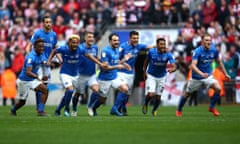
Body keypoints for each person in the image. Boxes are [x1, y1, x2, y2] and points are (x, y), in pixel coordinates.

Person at [176, 34, 231, 117]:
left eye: (210, 40)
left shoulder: (214, 50)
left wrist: (226, 74)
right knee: (187, 94)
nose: (208, 42)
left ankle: (212, 107)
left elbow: (219, 62)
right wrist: (201, 73)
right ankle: (179, 110)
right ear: (202, 42)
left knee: (218, 88)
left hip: (207, 77)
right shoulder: (197, 51)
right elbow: (193, 65)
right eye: (206, 40)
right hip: (196, 78)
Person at [110, 30, 153, 116]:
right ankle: (114, 108)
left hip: (131, 74)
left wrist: (160, 46)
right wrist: (124, 63)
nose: (136, 40)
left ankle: (123, 107)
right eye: (134, 38)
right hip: (121, 73)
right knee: (124, 89)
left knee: (127, 94)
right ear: (129, 38)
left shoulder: (139, 46)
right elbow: (116, 60)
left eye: (137, 38)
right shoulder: (123, 47)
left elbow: (149, 47)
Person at [87, 33, 130, 116]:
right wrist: (118, 66)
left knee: (125, 89)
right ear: (110, 41)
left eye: (118, 40)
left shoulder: (117, 50)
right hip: (104, 79)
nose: (117, 42)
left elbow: (115, 61)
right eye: (114, 40)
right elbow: (105, 68)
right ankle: (93, 107)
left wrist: (124, 62)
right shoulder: (105, 51)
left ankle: (115, 109)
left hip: (114, 77)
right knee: (102, 100)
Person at [25, 15, 60, 113]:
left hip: (47, 64)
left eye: (50, 22)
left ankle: (39, 108)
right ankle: (40, 109)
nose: (48, 24)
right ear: (43, 23)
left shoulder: (53, 35)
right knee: (40, 85)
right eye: (46, 22)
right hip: (38, 63)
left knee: (45, 85)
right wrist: (28, 55)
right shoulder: (37, 33)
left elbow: (55, 48)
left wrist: (60, 59)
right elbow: (29, 45)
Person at [10, 39, 49, 116]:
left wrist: (46, 71)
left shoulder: (41, 54)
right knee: (22, 102)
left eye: (42, 46)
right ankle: (13, 110)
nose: (42, 48)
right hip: (23, 81)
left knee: (45, 89)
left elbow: (44, 62)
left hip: (32, 80)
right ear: (34, 47)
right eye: (39, 47)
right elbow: (28, 72)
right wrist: (38, 77)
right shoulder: (31, 57)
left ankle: (40, 111)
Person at [71, 32, 105, 117]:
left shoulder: (95, 47)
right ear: (85, 39)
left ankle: (89, 106)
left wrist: (101, 61)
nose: (91, 39)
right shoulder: (80, 48)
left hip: (91, 74)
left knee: (97, 90)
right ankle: (74, 109)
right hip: (81, 75)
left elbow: (95, 57)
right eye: (89, 37)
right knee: (77, 94)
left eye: (92, 37)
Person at [47, 34, 82, 117]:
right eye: (73, 42)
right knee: (70, 91)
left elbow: (89, 56)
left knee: (69, 93)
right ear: (69, 42)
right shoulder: (64, 49)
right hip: (65, 73)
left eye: (77, 43)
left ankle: (58, 109)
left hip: (76, 75)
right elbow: (54, 51)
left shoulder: (81, 49)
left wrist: (98, 62)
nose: (75, 44)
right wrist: (49, 60)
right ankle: (67, 109)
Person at [142, 38, 177, 116]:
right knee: (151, 94)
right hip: (151, 75)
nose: (163, 46)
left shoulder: (168, 54)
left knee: (158, 97)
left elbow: (174, 66)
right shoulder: (151, 52)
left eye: (164, 44)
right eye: (161, 44)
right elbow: (146, 61)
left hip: (162, 76)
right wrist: (144, 72)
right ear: (157, 45)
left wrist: (172, 69)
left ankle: (154, 110)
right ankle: (146, 103)